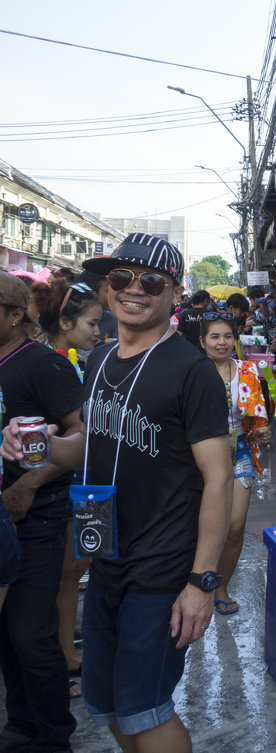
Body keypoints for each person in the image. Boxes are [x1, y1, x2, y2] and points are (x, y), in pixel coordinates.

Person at [2, 234, 231, 753]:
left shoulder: (191, 372)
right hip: (106, 557)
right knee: (108, 706)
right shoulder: (100, 360)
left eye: (151, 281)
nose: (133, 290)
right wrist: (28, 446)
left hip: (162, 570)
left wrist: (202, 582)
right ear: (107, 289)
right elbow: (86, 445)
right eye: (121, 278)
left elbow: (217, 478)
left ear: (174, 291)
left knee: (145, 712)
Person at [0, 273, 84, 753]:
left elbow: (81, 438)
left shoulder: (44, 366)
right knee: (6, 632)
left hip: (38, 517)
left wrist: (30, 484)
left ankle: (55, 735)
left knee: (31, 633)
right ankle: (21, 723)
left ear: (15, 315)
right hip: (1, 519)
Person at [30, 277, 104, 699]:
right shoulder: (53, 363)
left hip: (83, 483)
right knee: (65, 575)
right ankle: (62, 657)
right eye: (92, 323)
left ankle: (65, 653)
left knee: (74, 572)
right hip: (68, 486)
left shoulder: (71, 360)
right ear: (65, 321)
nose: (97, 331)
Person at [198, 314, 270, 617]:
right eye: (214, 337)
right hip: (201, 451)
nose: (222, 342)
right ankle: (198, 580)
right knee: (199, 525)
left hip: (240, 449)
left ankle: (221, 585)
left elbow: (258, 417)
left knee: (236, 527)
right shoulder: (193, 374)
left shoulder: (248, 371)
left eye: (227, 336)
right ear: (202, 342)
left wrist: (261, 431)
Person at [76, 271, 118, 343]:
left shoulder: (113, 319)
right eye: (107, 291)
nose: (97, 332)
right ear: (92, 294)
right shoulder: (73, 317)